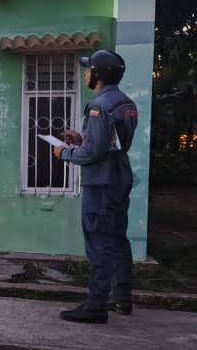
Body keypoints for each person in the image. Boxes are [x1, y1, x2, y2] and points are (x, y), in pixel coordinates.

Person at [52, 50, 138, 324]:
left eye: (89, 69)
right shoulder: (125, 102)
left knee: (99, 240)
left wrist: (65, 152)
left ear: (98, 74)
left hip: (101, 182)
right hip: (119, 177)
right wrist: (82, 138)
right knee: (117, 238)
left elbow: (94, 153)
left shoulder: (99, 104)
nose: (86, 73)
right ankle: (122, 297)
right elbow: (111, 143)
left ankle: (96, 304)